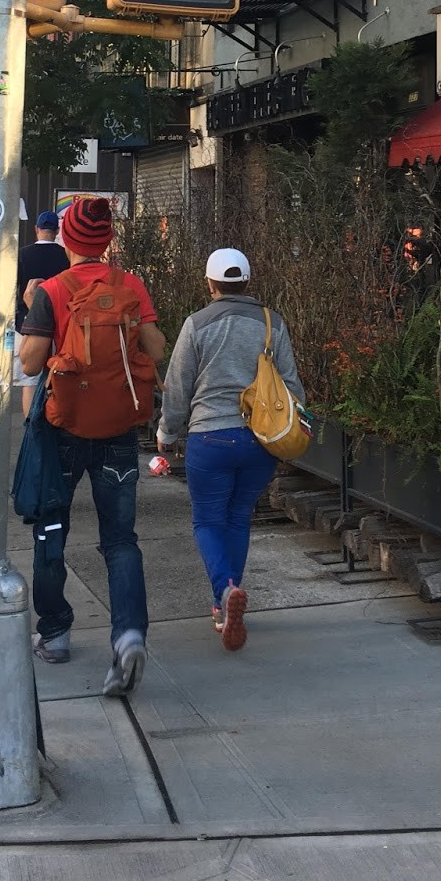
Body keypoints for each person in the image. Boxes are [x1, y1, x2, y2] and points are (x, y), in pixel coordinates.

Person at [17, 195, 166, 696]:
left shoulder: (52, 291)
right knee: (121, 539)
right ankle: (128, 635)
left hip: (63, 428)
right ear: (107, 240)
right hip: (119, 430)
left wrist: (31, 314)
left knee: (50, 528)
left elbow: (32, 363)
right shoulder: (131, 286)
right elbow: (157, 348)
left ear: (66, 239)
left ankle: (55, 632)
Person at [156, 248, 303, 652]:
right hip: (259, 441)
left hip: (211, 438)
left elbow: (179, 385)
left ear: (210, 283)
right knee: (238, 519)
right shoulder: (273, 323)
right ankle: (225, 604)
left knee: (207, 521)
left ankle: (224, 593)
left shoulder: (197, 324)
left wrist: (167, 432)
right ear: (247, 283)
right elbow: (292, 385)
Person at [13, 209, 69, 417]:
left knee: (29, 381)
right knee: (57, 375)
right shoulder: (66, 256)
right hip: (60, 323)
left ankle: (30, 425)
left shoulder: (22, 254)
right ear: (56, 231)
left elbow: (12, 288)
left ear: (36, 229)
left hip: (25, 323)